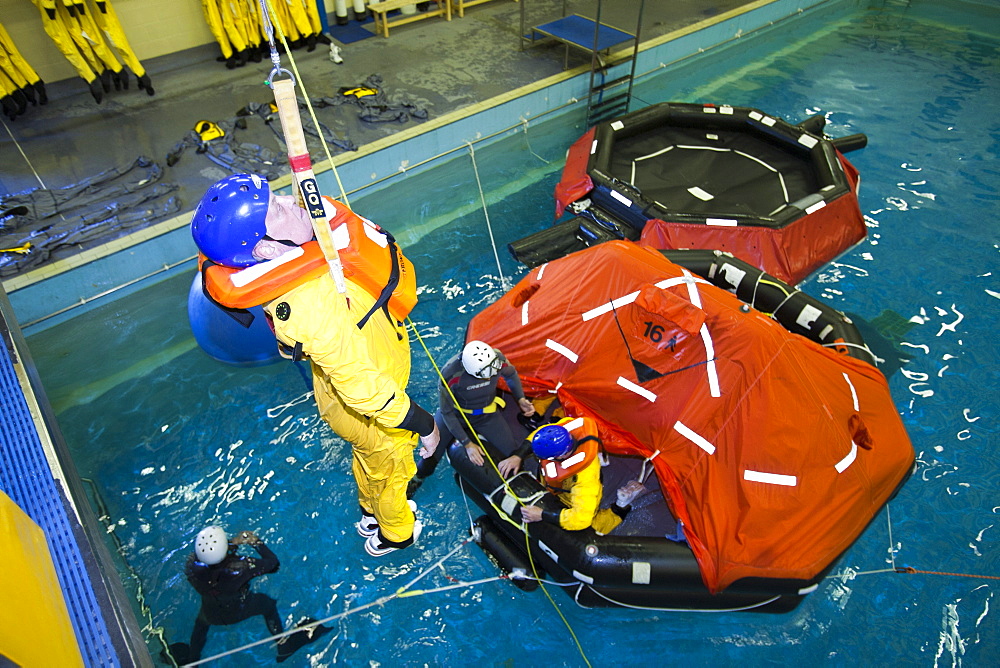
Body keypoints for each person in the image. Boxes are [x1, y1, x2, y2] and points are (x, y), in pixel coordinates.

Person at [191, 174, 440, 558]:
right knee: (391, 469)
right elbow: (365, 390)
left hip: (337, 397)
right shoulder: (314, 309)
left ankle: (369, 514)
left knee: (369, 459)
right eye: (276, 209)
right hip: (367, 401)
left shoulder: (293, 269)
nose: (292, 204)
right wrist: (426, 426)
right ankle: (395, 535)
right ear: (269, 250)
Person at [174, 526, 330, 664]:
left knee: (201, 623)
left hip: (211, 612)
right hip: (238, 609)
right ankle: (283, 646)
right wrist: (255, 542)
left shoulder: (192, 565)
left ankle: (193, 661)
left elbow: (215, 561)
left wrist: (233, 543)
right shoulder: (241, 567)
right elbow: (273, 564)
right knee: (267, 604)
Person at [409, 340, 536, 493]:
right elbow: (447, 412)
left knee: (512, 455)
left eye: (493, 370)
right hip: (456, 415)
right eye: (485, 373)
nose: (490, 376)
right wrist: (467, 444)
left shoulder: (497, 359)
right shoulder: (451, 374)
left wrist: (520, 399)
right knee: (429, 459)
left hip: (486, 415)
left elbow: (511, 375)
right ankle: (416, 480)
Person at [517, 418, 645, 534]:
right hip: (557, 485)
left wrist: (542, 515)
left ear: (560, 456)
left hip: (571, 492)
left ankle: (620, 507)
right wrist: (518, 455)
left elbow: (581, 519)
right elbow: (542, 434)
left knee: (590, 529)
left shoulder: (585, 479)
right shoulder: (565, 429)